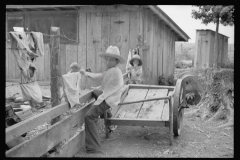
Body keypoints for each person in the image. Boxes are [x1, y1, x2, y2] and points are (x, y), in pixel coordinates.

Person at [80, 46, 126, 153]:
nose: (108, 62)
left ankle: (93, 146)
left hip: (109, 99)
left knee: (89, 117)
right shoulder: (115, 70)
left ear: (116, 61)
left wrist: (86, 74)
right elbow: (100, 76)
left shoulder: (113, 71)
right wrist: (86, 74)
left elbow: (99, 77)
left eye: (111, 60)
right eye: (107, 59)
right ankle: (108, 118)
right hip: (112, 96)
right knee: (96, 92)